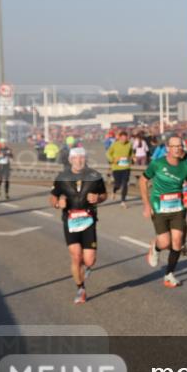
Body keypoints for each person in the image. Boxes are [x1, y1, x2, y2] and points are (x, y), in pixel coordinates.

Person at [50, 147, 107, 304]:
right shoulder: (62, 177)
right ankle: (80, 289)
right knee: (76, 256)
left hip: (88, 221)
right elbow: (52, 198)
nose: (79, 160)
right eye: (76, 158)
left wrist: (98, 198)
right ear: (70, 160)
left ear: (86, 159)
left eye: (82, 157)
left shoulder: (95, 176)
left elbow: (104, 194)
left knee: (89, 260)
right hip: (71, 222)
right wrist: (57, 204)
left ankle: (86, 267)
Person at [139, 135, 187, 288]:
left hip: (177, 208)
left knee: (177, 240)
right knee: (165, 242)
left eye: (180, 146)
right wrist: (146, 205)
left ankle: (169, 275)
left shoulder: (186, 166)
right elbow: (143, 180)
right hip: (159, 207)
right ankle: (156, 247)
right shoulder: (157, 164)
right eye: (174, 146)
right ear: (168, 148)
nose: (178, 149)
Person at [105, 130, 135, 208]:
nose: (124, 140)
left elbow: (131, 153)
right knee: (118, 184)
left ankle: (123, 201)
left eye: (125, 138)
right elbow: (108, 153)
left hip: (126, 167)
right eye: (122, 138)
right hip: (116, 168)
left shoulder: (129, 144)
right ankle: (114, 191)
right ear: (119, 138)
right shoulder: (115, 144)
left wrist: (133, 157)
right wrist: (113, 160)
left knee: (125, 184)